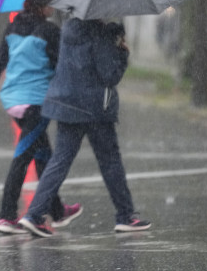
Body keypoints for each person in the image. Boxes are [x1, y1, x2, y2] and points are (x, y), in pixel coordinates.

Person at [18, 17, 151, 237]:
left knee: (60, 161)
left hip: (66, 103)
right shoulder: (101, 33)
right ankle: (126, 215)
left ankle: (34, 214)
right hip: (94, 107)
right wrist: (122, 53)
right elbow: (110, 75)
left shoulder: (70, 28)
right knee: (110, 161)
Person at [0, 0, 82, 234]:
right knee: (23, 158)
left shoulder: (12, 27)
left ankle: (56, 210)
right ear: (43, 3)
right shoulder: (50, 31)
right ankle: (7, 216)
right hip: (37, 102)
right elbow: (62, 66)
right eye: (52, 1)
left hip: (13, 100)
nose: (54, 6)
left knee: (42, 154)